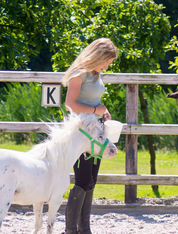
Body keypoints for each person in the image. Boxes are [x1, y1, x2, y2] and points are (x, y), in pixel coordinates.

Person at [61, 38, 118, 234]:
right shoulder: (80, 73)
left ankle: (84, 228)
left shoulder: (96, 73)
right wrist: (96, 110)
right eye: (107, 61)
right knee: (83, 179)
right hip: (81, 132)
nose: (107, 65)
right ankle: (71, 229)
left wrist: (103, 110)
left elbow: (92, 99)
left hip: (95, 131)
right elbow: (70, 104)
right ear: (98, 56)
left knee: (92, 179)